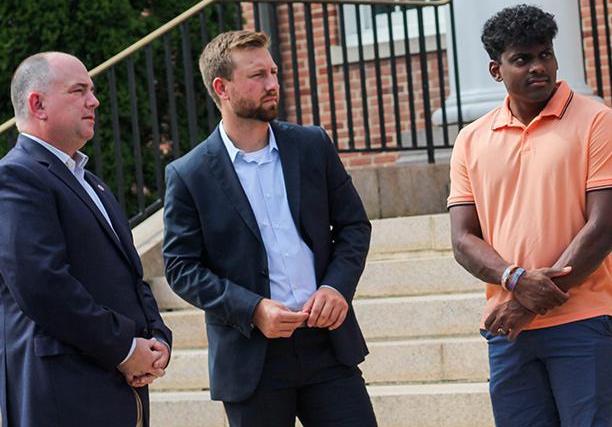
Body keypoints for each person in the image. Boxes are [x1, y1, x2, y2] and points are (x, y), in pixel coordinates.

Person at [162, 30, 376, 427]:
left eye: (273, 72)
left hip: (328, 346)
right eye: (258, 75)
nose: (273, 84)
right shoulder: (189, 174)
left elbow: (353, 226)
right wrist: (253, 308)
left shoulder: (312, 145)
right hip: (251, 359)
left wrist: (336, 287)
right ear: (221, 87)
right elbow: (181, 268)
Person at [448, 4, 612, 427]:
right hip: (508, 327)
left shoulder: (598, 122)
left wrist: (528, 302)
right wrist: (514, 280)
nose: (538, 67)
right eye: (522, 59)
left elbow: (605, 229)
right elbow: (462, 238)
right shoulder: (471, 140)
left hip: (582, 321)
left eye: (545, 54)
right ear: (497, 70)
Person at [0, 52, 172, 426]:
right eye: (79, 90)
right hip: (63, 394)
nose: (94, 101)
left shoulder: (91, 182)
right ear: (38, 104)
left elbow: (130, 275)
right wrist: (125, 349)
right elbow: (42, 285)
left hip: (117, 390)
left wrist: (157, 338)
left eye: (92, 90)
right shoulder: (16, 177)